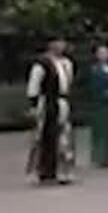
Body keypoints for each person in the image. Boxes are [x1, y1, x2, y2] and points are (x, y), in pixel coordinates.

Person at [26, 37, 77, 184]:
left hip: (62, 101)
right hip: (48, 101)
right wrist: (34, 105)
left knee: (64, 136)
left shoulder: (67, 63)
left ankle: (63, 169)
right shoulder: (42, 63)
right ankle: (43, 170)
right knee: (45, 135)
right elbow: (34, 85)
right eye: (57, 43)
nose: (61, 46)